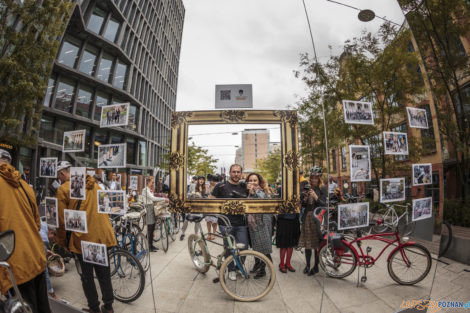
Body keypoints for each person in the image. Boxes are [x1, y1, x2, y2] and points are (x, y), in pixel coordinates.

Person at [55, 163, 117, 313]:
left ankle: (94, 308)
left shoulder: (64, 189)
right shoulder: (94, 184)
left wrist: (62, 242)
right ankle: (108, 307)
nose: (59, 180)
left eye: (59, 177)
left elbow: (61, 220)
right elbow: (105, 206)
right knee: (103, 273)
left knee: (87, 276)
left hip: (83, 239)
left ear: (63, 174)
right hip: (102, 235)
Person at [0, 149, 51, 313]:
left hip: (14, 263)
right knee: (43, 305)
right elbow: (37, 224)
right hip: (36, 256)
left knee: (24, 307)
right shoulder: (25, 186)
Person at [210, 164, 249, 281]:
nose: (236, 174)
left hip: (241, 223)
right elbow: (211, 200)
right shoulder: (220, 186)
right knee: (229, 248)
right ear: (229, 173)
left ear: (241, 173)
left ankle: (239, 267)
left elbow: (250, 202)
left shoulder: (244, 186)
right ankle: (231, 269)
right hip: (225, 223)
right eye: (234, 172)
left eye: (238, 172)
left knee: (244, 247)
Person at [299, 166, 326, 276]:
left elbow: (323, 204)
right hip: (307, 217)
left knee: (316, 243)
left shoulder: (322, 188)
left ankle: (316, 266)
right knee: (307, 243)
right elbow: (304, 204)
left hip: (317, 218)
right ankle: (308, 265)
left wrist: (315, 197)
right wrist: (304, 199)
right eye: (312, 177)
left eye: (316, 177)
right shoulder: (307, 187)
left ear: (319, 178)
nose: (314, 179)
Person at [246, 172, 273, 279]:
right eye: (250, 180)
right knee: (256, 247)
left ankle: (265, 270)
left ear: (259, 182)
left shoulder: (261, 191)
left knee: (264, 248)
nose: (252, 182)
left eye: (255, 180)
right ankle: (258, 264)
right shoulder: (248, 191)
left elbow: (261, 201)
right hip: (252, 223)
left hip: (261, 223)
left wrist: (252, 193)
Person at [141, 176, 168, 252]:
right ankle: (148, 246)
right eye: (152, 182)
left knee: (152, 228)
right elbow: (153, 198)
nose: (153, 184)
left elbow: (153, 199)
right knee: (150, 228)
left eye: (153, 182)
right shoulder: (145, 190)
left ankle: (150, 245)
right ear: (148, 182)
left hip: (151, 207)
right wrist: (163, 199)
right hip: (148, 208)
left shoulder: (149, 190)